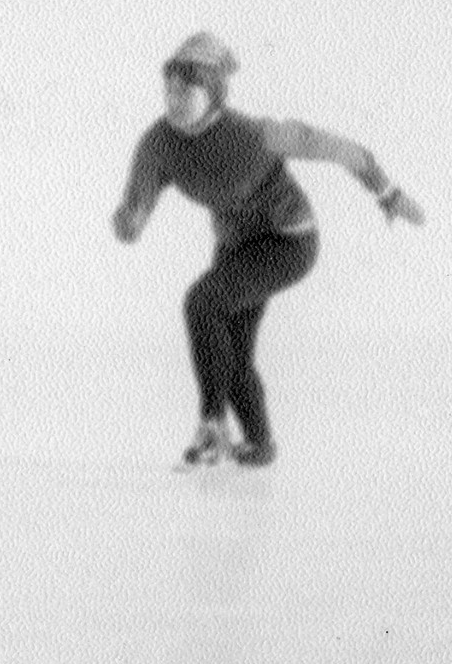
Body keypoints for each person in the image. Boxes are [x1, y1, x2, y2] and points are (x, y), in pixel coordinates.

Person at [112, 32, 424, 467]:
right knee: (231, 350)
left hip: (288, 242)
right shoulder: (159, 143)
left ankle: (211, 427)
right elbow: (137, 200)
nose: (174, 100)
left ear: (215, 92)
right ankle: (259, 444)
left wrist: (388, 193)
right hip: (235, 247)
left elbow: (341, 149)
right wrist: (131, 220)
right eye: (168, 90)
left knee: (202, 304)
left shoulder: (257, 135)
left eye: (187, 90)